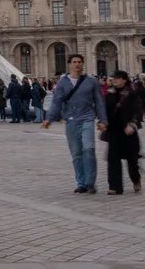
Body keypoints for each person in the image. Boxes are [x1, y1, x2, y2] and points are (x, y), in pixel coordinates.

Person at [43, 54, 108, 194]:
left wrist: (103, 120)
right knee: (76, 153)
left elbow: (99, 102)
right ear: (69, 64)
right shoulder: (62, 83)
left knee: (89, 149)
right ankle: (81, 183)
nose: (77, 64)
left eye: (80, 62)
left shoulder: (91, 81)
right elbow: (56, 102)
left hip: (87, 119)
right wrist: (49, 118)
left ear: (82, 64)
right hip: (71, 120)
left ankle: (90, 182)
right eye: (74, 62)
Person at [103, 70, 143, 195]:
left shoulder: (131, 93)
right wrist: (102, 121)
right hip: (114, 130)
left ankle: (136, 179)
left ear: (124, 80)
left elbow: (137, 110)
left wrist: (133, 124)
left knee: (132, 159)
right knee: (113, 158)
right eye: (113, 78)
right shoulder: (109, 93)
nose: (114, 80)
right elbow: (104, 109)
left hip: (128, 130)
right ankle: (114, 186)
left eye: (117, 78)